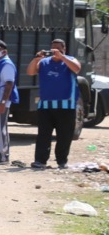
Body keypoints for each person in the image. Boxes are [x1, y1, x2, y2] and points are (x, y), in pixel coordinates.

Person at [27, 39, 81, 169]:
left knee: (64, 135)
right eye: (53, 49)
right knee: (43, 135)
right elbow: (30, 72)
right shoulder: (44, 62)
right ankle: (40, 160)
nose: (55, 51)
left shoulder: (70, 60)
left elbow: (77, 68)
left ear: (64, 49)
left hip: (66, 105)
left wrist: (62, 57)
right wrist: (36, 59)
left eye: (58, 48)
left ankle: (61, 160)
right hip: (46, 105)